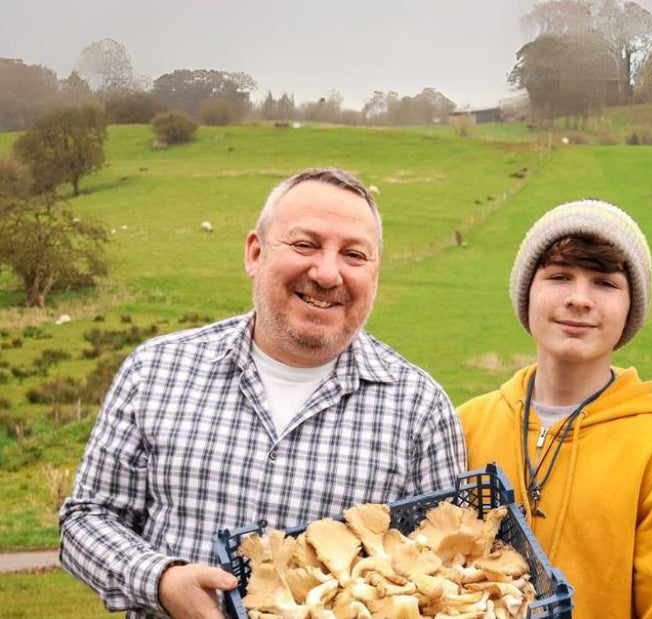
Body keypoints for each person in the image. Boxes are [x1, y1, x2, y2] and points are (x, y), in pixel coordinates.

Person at [59, 167, 466, 618]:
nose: (328, 273)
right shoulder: (155, 370)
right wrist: (161, 579)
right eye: (304, 245)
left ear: (375, 274)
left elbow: (443, 573)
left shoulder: (420, 410)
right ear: (255, 253)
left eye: (354, 255)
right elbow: (87, 518)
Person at [458, 200, 652, 619]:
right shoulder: (466, 425)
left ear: (630, 309)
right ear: (526, 292)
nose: (579, 299)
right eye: (559, 276)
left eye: (605, 283)